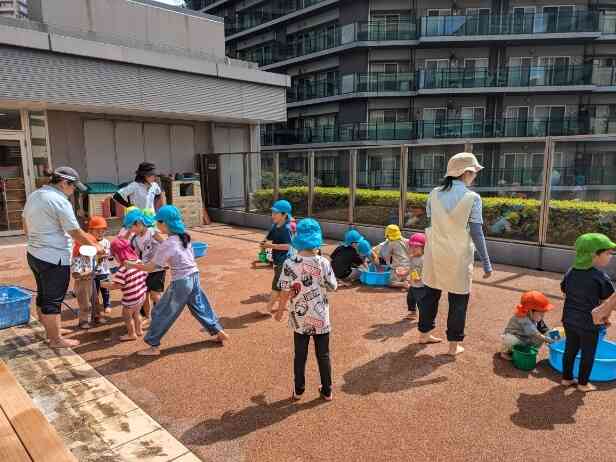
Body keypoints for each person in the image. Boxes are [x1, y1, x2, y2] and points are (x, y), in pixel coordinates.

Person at [126, 205, 229, 355]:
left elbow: (150, 268)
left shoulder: (168, 244)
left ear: (165, 223)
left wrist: (131, 265)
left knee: (161, 311)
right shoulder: (185, 236)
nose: (156, 224)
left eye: (158, 222)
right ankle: (218, 331)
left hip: (181, 281)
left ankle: (153, 345)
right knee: (200, 307)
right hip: (194, 276)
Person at [419, 152, 493, 356]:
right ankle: (453, 345)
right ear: (466, 172)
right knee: (458, 301)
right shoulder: (472, 198)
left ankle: (424, 334)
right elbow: (477, 232)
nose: (475, 176)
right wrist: (486, 262)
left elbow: (431, 221)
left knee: (430, 294)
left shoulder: (434, 193)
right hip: (458, 255)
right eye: (474, 172)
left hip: (435, 251)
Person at [23, 167, 102, 348]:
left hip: (35, 254)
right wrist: (94, 246)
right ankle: (55, 339)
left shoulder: (35, 195)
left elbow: (24, 223)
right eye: (73, 187)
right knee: (53, 299)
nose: (73, 191)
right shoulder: (59, 201)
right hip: (53, 258)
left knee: (43, 294)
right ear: (64, 183)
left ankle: (51, 330)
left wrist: (38, 239)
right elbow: (74, 231)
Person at [274, 218, 338, 401]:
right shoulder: (323, 262)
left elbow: (285, 290)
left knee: (300, 355)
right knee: (323, 355)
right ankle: (326, 390)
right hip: (321, 317)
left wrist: (280, 312)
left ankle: (299, 389)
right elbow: (333, 286)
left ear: (297, 238)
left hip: (299, 318)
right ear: (317, 239)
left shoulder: (289, 263)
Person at [561, 233, 616, 392]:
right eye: (607, 253)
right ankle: (583, 384)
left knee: (570, 349)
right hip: (589, 323)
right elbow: (609, 302)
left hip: (569, 319)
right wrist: (605, 317)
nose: (610, 256)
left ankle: (567, 378)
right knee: (588, 353)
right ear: (594, 255)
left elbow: (564, 291)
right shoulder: (599, 277)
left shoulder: (570, 272)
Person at [123, 209, 166, 326]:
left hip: (158, 268)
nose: (130, 231)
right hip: (144, 269)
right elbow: (136, 254)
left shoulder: (152, 232)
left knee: (155, 295)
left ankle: (165, 316)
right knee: (144, 294)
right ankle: (148, 317)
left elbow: (165, 244)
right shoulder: (135, 239)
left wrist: (166, 259)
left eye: (131, 228)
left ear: (138, 223)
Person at [103, 239, 148, 341]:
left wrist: (104, 285)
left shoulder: (123, 269)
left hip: (130, 298)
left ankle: (131, 334)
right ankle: (139, 330)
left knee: (127, 317)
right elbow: (145, 274)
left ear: (118, 255)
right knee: (137, 314)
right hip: (141, 295)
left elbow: (117, 285)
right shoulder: (139, 262)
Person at [260, 200, 293, 314]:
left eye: (276, 213)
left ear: (284, 215)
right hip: (277, 259)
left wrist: (270, 245)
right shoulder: (275, 225)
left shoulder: (286, 229)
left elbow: (288, 246)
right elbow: (268, 237)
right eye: (272, 212)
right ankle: (284, 305)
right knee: (283, 285)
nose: (272, 215)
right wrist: (264, 243)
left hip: (284, 261)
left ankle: (268, 308)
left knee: (277, 284)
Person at [500, 291, 554, 361]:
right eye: (541, 314)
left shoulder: (536, 317)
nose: (543, 316)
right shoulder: (522, 318)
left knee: (541, 337)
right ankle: (505, 352)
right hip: (516, 337)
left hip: (525, 339)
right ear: (530, 311)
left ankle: (529, 351)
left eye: (543, 313)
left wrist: (551, 336)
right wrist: (546, 339)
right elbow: (534, 333)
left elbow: (544, 329)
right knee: (510, 339)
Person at [71, 232, 99, 329]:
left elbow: (95, 265)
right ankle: (83, 321)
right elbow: (75, 274)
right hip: (82, 283)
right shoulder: (77, 258)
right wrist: (88, 272)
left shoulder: (91, 256)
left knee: (95, 300)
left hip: (91, 281)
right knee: (84, 304)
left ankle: (95, 317)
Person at [373, 224, 411, 289]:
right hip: (409, 267)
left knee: (390, 282)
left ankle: (403, 284)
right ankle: (407, 281)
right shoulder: (406, 241)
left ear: (387, 235)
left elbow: (384, 255)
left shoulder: (391, 243)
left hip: (398, 269)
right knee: (407, 278)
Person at [88, 216, 113, 316]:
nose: (100, 233)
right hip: (92, 272)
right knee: (94, 292)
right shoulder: (89, 242)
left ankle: (107, 305)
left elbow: (110, 254)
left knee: (105, 289)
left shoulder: (106, 242)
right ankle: (95, 307)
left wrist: (106, 254)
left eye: (102, 231)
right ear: (90, 231)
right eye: (97, 231)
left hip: (104, 271)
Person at [406, 233, 426, 321]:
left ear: (423, 248)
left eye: (416, 247)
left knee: (421, 302)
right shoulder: (412, 257)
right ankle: (413, 312)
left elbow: (427, 272)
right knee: (410, 299)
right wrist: (405, 274)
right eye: (411, 247)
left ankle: (424, 316)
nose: (413, 249)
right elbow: (411, 269)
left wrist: (420, 278)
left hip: (421, 286)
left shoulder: (424, 259)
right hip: (413, 284)